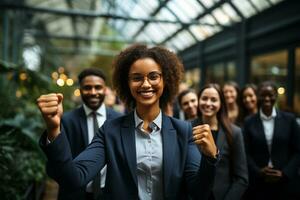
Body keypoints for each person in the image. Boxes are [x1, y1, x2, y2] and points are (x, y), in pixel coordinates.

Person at [37, 44, 219, 200]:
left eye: (154, 76)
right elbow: (74, 178)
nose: (146, 84)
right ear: (127, 83)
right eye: (137, 78)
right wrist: (54, 129)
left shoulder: (184, 131)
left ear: (165, 81)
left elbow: (199, 192)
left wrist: (210, 158)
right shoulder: (111, 131)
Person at [59, 68, 122, 200]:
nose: (93, 92)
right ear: (80, 90)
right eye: (87, 87)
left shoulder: (119, 120)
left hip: (110, 193)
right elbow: (61, 159)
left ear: (105, 89)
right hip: (76, 194)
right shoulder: (67, 120)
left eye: (98, 87)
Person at [243, 81, 300, 200]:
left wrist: (284, 173)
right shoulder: (249, 122)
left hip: (285, 184)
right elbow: (245, 152)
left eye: (271, 95)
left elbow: (298, 150)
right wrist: (258, 171)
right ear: (258, 96)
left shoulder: (289, 119)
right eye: (263, 95)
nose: (267, 98)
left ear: (276, 96)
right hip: (258, 184)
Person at [192, 83, 248, 200]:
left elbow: (241, 178)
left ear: (221, 103)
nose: (208, 103)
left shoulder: (234, 132)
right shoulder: (187, 128)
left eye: (214, 100)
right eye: (204, 98)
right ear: (199, 100)